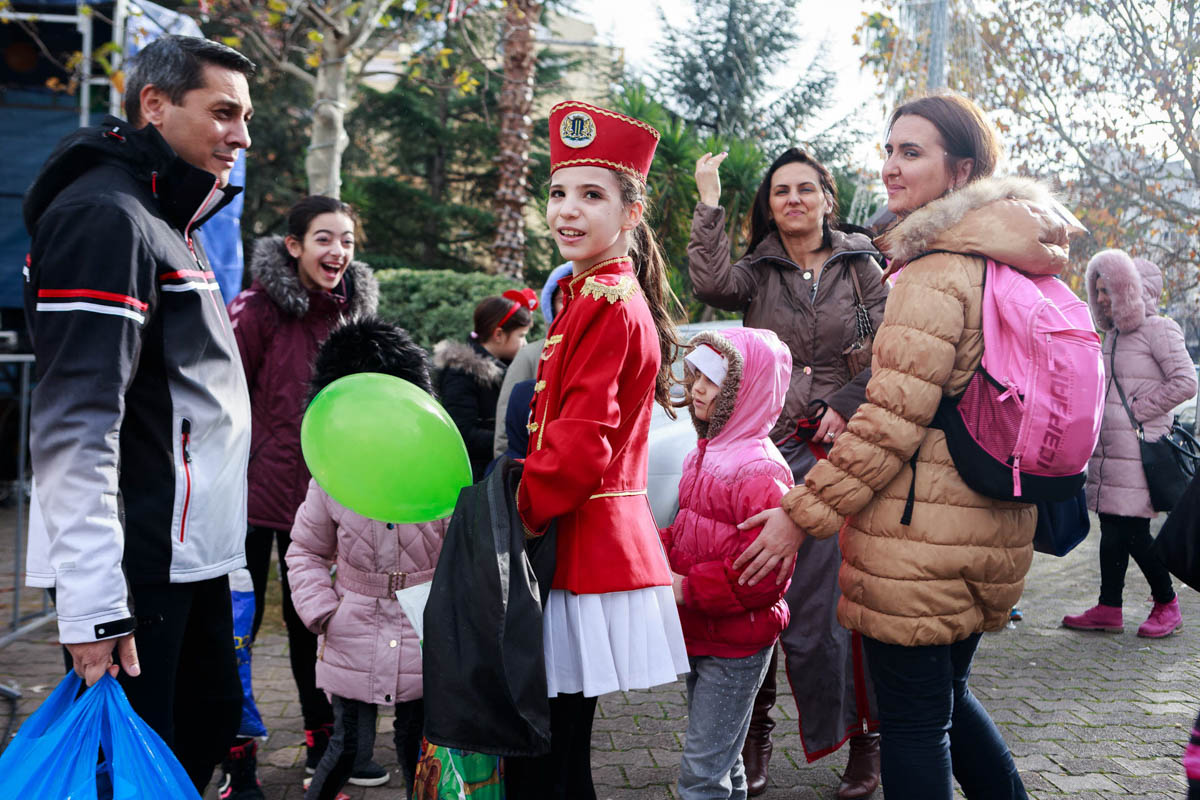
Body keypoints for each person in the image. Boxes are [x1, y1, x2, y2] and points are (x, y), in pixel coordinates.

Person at [733, 92, 1083, 798]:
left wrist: (799, 516)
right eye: (889, 149)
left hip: (917, 541)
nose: (891, 166)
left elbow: (888, 422)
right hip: (989, 523)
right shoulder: (1013, 262)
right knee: (944, 699)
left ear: (959, 172)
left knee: (916, 723)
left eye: (912, 152)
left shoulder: (936, 271)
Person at [21, 35, 255, 792]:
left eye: (246, 116)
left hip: (186, 555)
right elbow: (74, 424)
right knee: (134, 768)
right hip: (136, 562)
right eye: (223, 112)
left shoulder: (162, 219)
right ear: (153, 104)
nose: (242, 136)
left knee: (207, 727)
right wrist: (91, 603)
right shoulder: (105, 217)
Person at [503, 100, 690, 798]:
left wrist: (513, 518)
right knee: (556, 750)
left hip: (578, 543)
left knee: (548, 757)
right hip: (576, 539)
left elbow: (580, 449)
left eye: (591, 195)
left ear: (631, 212)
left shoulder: (607, 302)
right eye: (557, 193)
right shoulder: (594, 293)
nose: (567, 211)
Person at [689, 147, 887, 797]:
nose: (794, 199)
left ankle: (865, 740)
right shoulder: (757, 269)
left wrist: (848, 401)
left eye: (806, 188)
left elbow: (895, 346)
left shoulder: (861, 266)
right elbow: (712, 285)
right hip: (762, 453)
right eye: (781, 191)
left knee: (831, 608)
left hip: (839, 454)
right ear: (769, 205)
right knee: (753, 585)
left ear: (829, 198)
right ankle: (753, 736)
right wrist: (709, 201)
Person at [224, 195, 381, 795]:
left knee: (312, 624)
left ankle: (326, 745)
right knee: (238, 628)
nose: (337, 251)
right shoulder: (255, 311)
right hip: (245, 498)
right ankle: (236, 758)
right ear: (294, 246)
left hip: (318, 502)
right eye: (323, 238)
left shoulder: (350, 318)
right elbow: (225, 397)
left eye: (345, 239)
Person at [287, 317, 450, 800]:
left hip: (421, 627)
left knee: (416, 748)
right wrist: (322, 610)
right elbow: (306, 550)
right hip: (352, 626)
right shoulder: (334, 479)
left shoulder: (436, 478)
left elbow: (463, 550)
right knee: (347, 744)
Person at [661, 328, 795, 800]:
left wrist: (685, 588)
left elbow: (763, 579)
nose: (697, 388)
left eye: (715, 381)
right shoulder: (705, 453)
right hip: (703, 632)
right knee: (724, 757)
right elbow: (690, 531)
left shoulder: (759, 469)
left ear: (747, 390)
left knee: (702, 774)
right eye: (696, 375)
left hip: (736, 644)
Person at [1062, 249, 1196, 637]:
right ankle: (1109, 607)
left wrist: (1138, 409)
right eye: (1097, 290)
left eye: (1108, 290)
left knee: (1133, 532)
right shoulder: (1113, 335)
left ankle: (1167, 602)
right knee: (1112, 529)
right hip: (1110, 453)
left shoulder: (1160, 329)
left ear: (1128, 289)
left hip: (1140, 452)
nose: (1101, 298)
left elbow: (1186, 382)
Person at [434, 290, 535, 481]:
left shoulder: (504, 367)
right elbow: (462, 431)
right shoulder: (461, 372)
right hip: (475, 475)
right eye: (521, 336)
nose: (525, 343)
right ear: (498, 334)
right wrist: (510, 438)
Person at [493, 261, 573, 459]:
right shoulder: (530, 355)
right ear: (550, 305)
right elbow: (506, 426)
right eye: (563, 299)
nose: (572, 305)